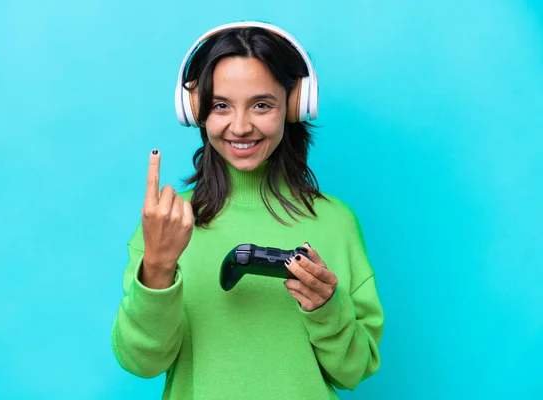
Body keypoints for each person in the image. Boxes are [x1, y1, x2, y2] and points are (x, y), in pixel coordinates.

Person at [111, 21, 384, 400]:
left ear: (293, 106)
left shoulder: (337, 223)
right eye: (221, 105)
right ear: (197, 111)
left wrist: (326, 307)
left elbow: (355, 370)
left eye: (261, 105)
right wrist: (157, 266)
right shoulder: (166, 223)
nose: (240, 127)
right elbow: (142, 363)